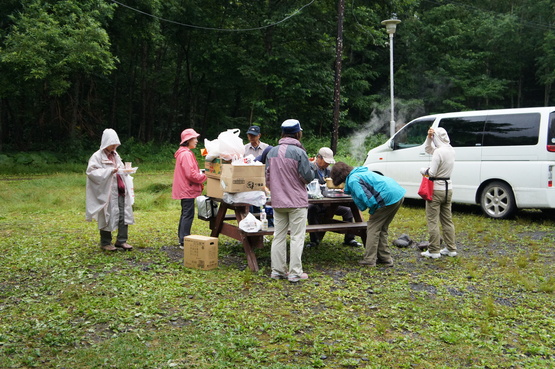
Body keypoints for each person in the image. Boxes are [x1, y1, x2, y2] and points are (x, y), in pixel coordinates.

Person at [265, 119, 314, 282]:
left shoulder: (271, 152)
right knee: (297, 237)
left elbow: (267, 178)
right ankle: (295, 272)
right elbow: (307, 177)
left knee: (278, 235)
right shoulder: (300, 152)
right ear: (298, 133)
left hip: (278, 201)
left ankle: (277, 271)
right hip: (296, 201)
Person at [330, 162, 405, 267]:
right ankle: (385, 258)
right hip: (397, 194)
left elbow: (365, 196)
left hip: (387, 197)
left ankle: (369, 260)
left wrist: (373, 209)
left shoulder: (353, 180)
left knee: (372, 228)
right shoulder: (359, 173)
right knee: (382, 228)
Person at [86, 128, 134, 251]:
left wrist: (126, 171)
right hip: (107, 192)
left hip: (120, 190)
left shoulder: (116, 155)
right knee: (106, 215)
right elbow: (91, 172)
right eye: (112, 144)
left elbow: (120, 169)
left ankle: (121, 240)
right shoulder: (97, 156)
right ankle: (105, 242)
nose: (114, 146)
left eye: (116, 144)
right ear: (106, 142)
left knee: (123, 215)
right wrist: (109, 171)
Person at [306, 147, 362, 248]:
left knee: (348, 211)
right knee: (311, 209)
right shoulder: (310, 169)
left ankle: (350, 238)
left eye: (329, 162)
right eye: (326, 161)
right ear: (319, 158)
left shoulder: (329, 170)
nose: (328, 164)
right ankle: (314, 240)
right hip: (315, 201)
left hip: (329, 201)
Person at [419, 127, 457, 258]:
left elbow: (432, 173)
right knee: (447, 220)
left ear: (437, 138)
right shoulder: (451, 150)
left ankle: (434, 250)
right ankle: (451, 249)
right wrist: (429, 138)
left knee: (432, 220)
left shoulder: (438, 152)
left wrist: (423, 170)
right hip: (448, 189)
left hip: (436, 190)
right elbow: (428, 149)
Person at [172, 128, 207, 248]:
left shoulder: (183, 153)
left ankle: (182, 238)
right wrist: (204, 176)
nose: (196, 141)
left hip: (185, 188)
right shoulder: (186, 154)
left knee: (185, 213)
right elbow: (190, 174)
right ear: (188, 140)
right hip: (187, 188)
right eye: (195, 138)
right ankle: (184, 240)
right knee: (188, 214)